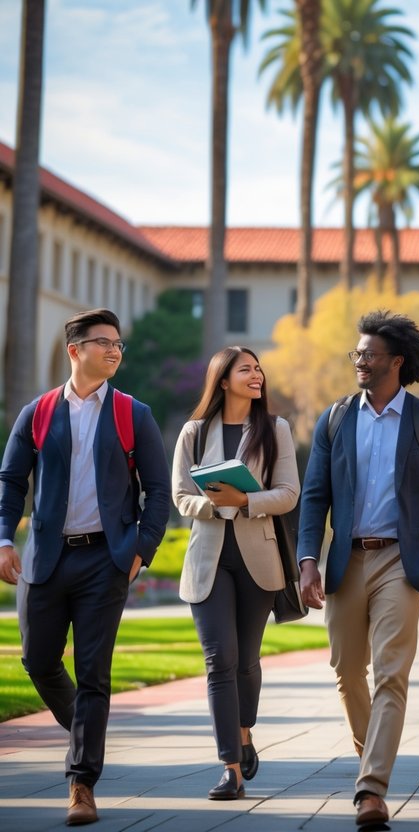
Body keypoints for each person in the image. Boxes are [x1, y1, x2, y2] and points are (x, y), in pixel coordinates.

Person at [0, 308, 171, 826]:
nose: (115, 350)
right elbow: (11, 481)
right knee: (38, 660)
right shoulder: (39, 412)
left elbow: (158, 491)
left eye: (118, 343)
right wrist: (4, 539)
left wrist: (140, 548)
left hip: (106, 559)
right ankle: (86, 731)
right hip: (46, 559)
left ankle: (81, 784)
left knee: (94, 672)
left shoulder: (132, 413)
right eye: (104, 343)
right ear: (76, 350)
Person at [296, 310, 419, 828]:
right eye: (357, 354)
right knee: (347, 671)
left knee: (392, 673)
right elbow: (315, 495)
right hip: (347, 559)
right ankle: (374, 759)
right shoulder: (336, 418)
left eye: (368, 355)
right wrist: (306, 561)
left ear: (396, 361)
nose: (360, 362)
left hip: (400, 561)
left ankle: (371, 788)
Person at [172, 347, 300, 799]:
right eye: (246, 369)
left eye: (258, 367)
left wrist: (246, 501)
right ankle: (230, 767)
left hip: (257, 560)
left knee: (246, 660)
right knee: (218, 659)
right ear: (223, 380)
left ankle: (245, 732)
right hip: (208, 559)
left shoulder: (276, 429)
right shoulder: (194, 431)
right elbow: (181, 495)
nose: (257, 374)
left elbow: (288, 493)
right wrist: (215, 503)